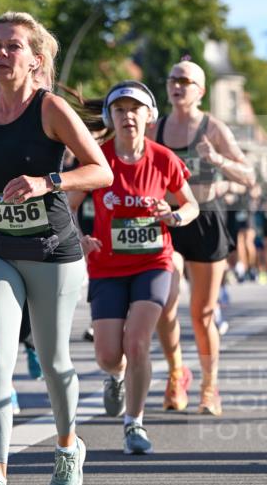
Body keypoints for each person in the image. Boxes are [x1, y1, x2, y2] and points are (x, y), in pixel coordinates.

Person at [0, 10, 112, 485]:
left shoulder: (51, 109)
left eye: (12, 46)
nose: (1, 53)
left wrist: (49, 182)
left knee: (55, 360)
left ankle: (68, 448)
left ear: (35, 60)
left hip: (51, 250)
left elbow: (100, 170)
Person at [70, 81, 199, 454]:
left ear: (148, 116)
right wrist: (80, 236)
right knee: (109, 355)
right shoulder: (98, 159)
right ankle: (115, 376)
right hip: (107, 265)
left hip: (153, 262)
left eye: (135, 109)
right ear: (110, 117)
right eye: (120, 110)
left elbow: (190, 205)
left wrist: (173, 216)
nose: (128, 116)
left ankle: (134, 424)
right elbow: (69, 205)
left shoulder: (163, 158)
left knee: (138, 340)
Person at [155, 58, 255, 416]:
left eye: (185, 80)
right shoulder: (157, 127)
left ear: (200, 91)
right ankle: (176, 372)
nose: (177, 85)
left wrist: (218, 159)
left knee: (203, 313)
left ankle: (210, 386)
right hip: (168, 220)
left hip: (207, 220)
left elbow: (249, 176)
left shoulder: (213, 127)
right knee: (164, 304)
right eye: (172, 78)